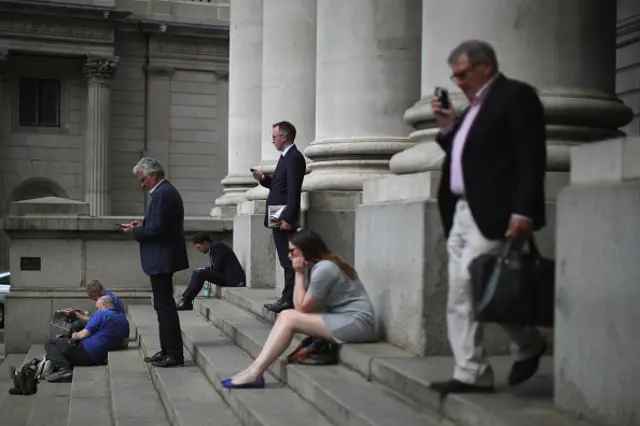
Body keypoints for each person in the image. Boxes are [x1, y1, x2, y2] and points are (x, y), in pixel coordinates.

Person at [429, 40, 547, 394]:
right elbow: (472, 160)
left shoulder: (515, 96)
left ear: (487, 66)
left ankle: (477, 370)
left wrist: (523, 211)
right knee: (464, 292)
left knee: (472, 287)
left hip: (494, 212)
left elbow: (530, 156)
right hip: (462, 213)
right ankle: (515, 350)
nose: (459, 83)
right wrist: (449, 128)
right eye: (455, 77)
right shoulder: (472, 110)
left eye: (463, 74)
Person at [221, 229, 376, 389]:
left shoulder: (325, 269)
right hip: (347, 320)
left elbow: (301, 307)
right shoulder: (320, 266)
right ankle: (254, 370)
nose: (289, 256)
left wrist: (299, 274)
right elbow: (302, 306)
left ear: (305, 249)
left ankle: (255, 372)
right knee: (287, 315)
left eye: (292, 251)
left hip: (357, 323)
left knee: (288, 317)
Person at [121, 157, 189, 368]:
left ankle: (173, 354)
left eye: (143, 180)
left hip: (161, 259)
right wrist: (141, 224)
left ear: (154, 175)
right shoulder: (165, 192)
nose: (142, 185)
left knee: (165, 307)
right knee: (163, 306)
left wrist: (136, 230)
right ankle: (168, 350)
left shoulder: (162, 194)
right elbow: (158, 224)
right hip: (163, 258)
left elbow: (156, 230)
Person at [251, 121, 306, 314]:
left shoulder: (294, 158)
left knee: (287, 259)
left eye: (274, 137)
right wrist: (264, 180)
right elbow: (279, 186)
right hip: (277, 211)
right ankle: (286, 297)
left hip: (283, 214)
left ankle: (288, 299)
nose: (272, 140)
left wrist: (289, 217)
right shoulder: (285, 157)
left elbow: (293, 191)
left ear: (283, 137)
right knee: (284, 258)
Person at [44, 296, 130, 382]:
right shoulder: (123, 318)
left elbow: (83, 335)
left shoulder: (101, 314)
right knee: (62, 342)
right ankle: (52, 362)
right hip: (100, 357)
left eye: (97, 307)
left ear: (105, 305)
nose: (97, 310)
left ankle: (64, 370)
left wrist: (74, 335)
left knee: (50, 343)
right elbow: (124, 343)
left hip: (87, 352)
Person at [176, 232, 246, 311]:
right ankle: (185, 299)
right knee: (198, 271)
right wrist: (203, 269)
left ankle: (187, 301)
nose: (199, 250)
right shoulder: (214, 247)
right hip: (227, 276)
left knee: (201, 273)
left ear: (205, 243)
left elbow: (217, 268)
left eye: (199, 247)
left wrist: (204, 271)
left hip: (233, 281)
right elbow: (217, 266)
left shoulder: (217, 248)